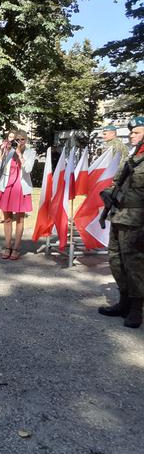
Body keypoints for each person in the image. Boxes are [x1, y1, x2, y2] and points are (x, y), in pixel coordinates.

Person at [98, 116, 144, 329]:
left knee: (135, 264)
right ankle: (124, 301)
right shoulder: (132, 157)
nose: (132, 136)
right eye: (132, 132)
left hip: (137, 220)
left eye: (136, 132)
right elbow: (117, 182)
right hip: (119, 215)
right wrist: (106, 194)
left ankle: (136, 307)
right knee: (116, 260)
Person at [0, 130, 35, 261]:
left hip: (21, 188)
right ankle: (7, 245)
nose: (19, 142)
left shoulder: (30, 152)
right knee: (7, 218)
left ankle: (16, 247)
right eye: (17, 139)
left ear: (26, 140)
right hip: (7, 186)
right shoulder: (9, 152)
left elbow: (28, 169)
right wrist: (1, 153)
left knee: (20, 219)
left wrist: (20, 155)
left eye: (22, 139)